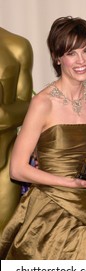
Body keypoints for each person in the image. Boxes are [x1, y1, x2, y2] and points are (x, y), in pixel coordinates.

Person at [0, 17, 86, 260]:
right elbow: (17, 169)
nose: (81, 60)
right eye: (71, 53)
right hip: (49, 214)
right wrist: (71, 184)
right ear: (57, 57)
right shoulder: (42, 103)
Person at [0, 28, 33, 237]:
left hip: (5, 163)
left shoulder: (17, 45)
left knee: (5, 239)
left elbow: (27, 104)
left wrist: (3, 115)